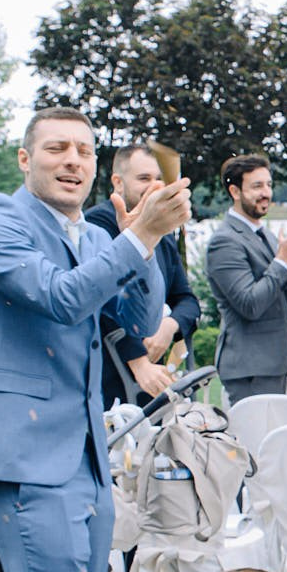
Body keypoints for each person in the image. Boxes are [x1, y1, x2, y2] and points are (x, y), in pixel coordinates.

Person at [0, 106, 186, 572]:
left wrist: (146, 246)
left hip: (85, 456)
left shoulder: (92, 237)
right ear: (25, 158)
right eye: (57, 148)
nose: (72, 161)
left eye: (83, 151)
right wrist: (139, 236)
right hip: (26, 454)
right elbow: (60, 298)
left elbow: (135, 315)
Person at [85, 142, 200, 408]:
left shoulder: (164, 234)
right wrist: (138, 361)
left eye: (159, 179)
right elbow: (98, 301)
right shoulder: (96, 224)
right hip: (109, 376)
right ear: (118, 182)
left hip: (156, 379)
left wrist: (168, 328)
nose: (154, 187)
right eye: (144, 179)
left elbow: (188, 301)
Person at [205, 153, 287, 405]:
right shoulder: (225, 241)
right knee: (254, 442)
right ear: (235, 191)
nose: (266, 193)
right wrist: (284, 259)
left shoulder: (262, 233)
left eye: (268, 185)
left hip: (272, 362)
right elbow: (250, 303)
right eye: (257, 186)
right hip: (250, 367)